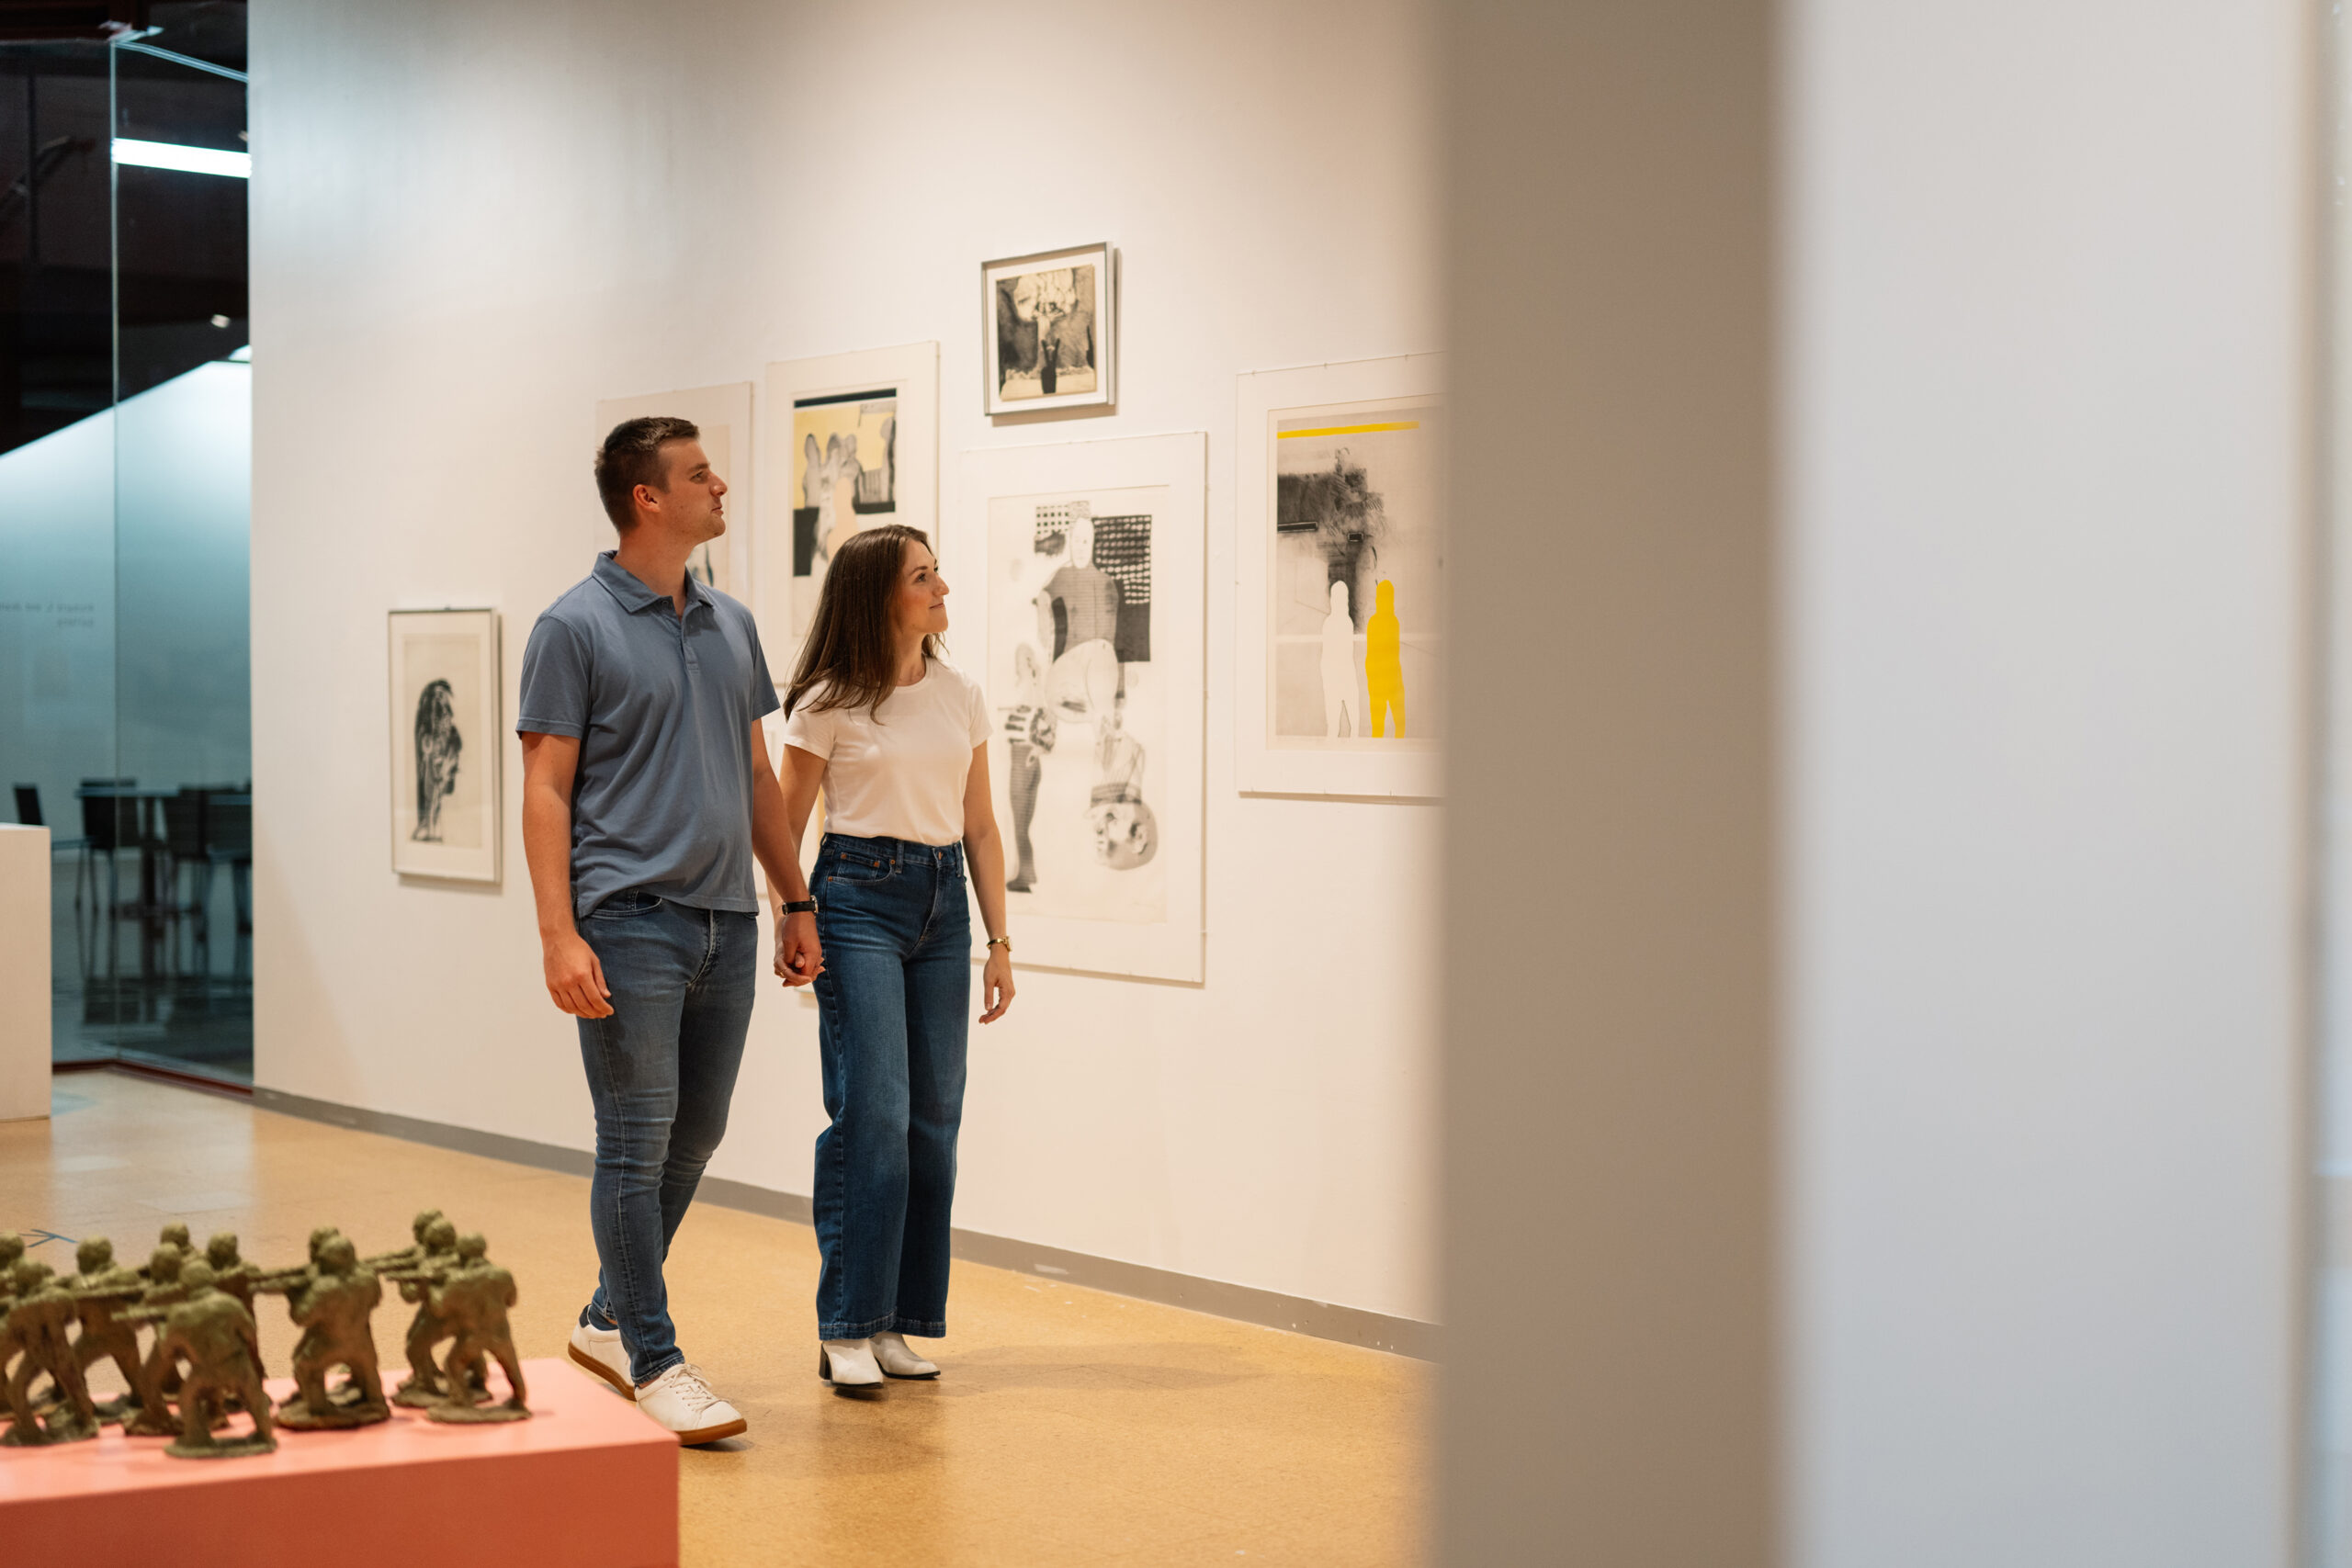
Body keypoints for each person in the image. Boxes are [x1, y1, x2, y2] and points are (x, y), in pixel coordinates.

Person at [518, 415, 817, 1444]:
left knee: (695, 1136)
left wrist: (795, 898)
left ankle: (606, 1318)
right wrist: (559, 934)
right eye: (699, 474)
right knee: (635, 1140)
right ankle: (654, 1355)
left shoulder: (731, 624)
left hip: (726, 920)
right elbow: (546, 790)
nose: (720, 484)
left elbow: (757, 774)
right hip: (626, 920)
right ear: (648, 498)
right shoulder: (573, 626)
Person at [775, 523, 1017, 1388]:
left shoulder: (961, 694)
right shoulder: (829, 700)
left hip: (943, 904)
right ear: (883, 595)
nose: (941, 586)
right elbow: (785, 820)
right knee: (872, 1114)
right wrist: (791, 913)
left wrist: (999, 940)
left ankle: (896, 1322)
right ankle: (847, 1320)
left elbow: (983, 828)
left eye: (937, 571)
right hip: (854, 901)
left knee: (931, 1125)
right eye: (923, 575)